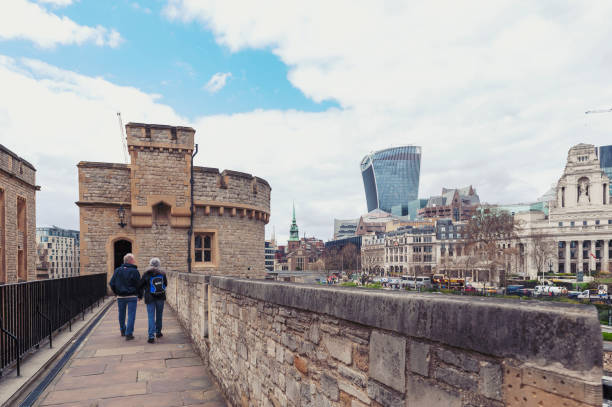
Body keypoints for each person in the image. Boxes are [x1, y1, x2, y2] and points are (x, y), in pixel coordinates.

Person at [109, 253, 141, 340]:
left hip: (121, 297)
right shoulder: (135, 271)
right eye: (133, 260)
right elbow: (139, 285)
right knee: (131, 315)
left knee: (121, 314)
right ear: (130, 261)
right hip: (132, 296)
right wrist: (140, 295)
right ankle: (129, 333)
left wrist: (116, 292)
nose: (134, 261)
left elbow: (111, 283)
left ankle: (123, 330)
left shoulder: (117, 270)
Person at [138, 257, 168, 344]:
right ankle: (158, 332)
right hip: (160, 297)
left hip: (149, 297)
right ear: (159, 264)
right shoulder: (162, 273)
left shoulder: (146, 273)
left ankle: (151, 336)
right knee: (159, 315)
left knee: (151, 316)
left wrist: (140, 295)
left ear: (150, 264)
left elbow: (140, 285)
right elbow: (166, 284)